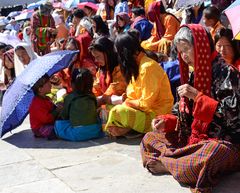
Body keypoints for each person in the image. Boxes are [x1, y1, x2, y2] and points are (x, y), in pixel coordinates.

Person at [141, 24, 240, 193]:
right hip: (195, 140)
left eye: (186, 49)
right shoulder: (196, 73)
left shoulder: (227, 72)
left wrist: (198, 97)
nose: (184, 56)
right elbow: (182, 114)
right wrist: (166, 121)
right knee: (149, 138)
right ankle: (181, 162)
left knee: (212, 154)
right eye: (180, 51)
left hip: (226, 142)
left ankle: (168, 163)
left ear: (200, 46)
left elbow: (234, 117)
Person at [104, 31, 173, 137]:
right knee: (107, 107)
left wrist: (126, 102)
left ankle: (126, 130)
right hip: (141, 111)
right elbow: (133, 96)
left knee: (118, 111)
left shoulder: (148, 67)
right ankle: (125, 129)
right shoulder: (135, 66)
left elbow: (145, 104)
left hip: (156, 115)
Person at [54, 68, 103, 141]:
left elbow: (64, 116)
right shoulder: (92, 96)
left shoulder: (69, 97)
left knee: (58, 124)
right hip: (95, 131)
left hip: (77, 134)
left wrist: (59, 110)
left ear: (72, 83)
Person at [89, 36, 127, 105]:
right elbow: (96, 88)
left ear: (107, 53)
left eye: (98, 56)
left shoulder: (120, 68)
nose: (96, 60)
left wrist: (101, 100)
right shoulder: (101, 70)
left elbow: (115, 89)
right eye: (94, 57)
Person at [29, 74, 61, 139]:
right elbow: (46, 119)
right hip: (40, 128)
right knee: (58, 130)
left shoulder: (46, 98)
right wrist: (57, 111)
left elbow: (51, 108)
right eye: (47, 83)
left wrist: (58, 106)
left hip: (49, 123)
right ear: (40, 89)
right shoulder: (37, 103)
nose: (50, 84)